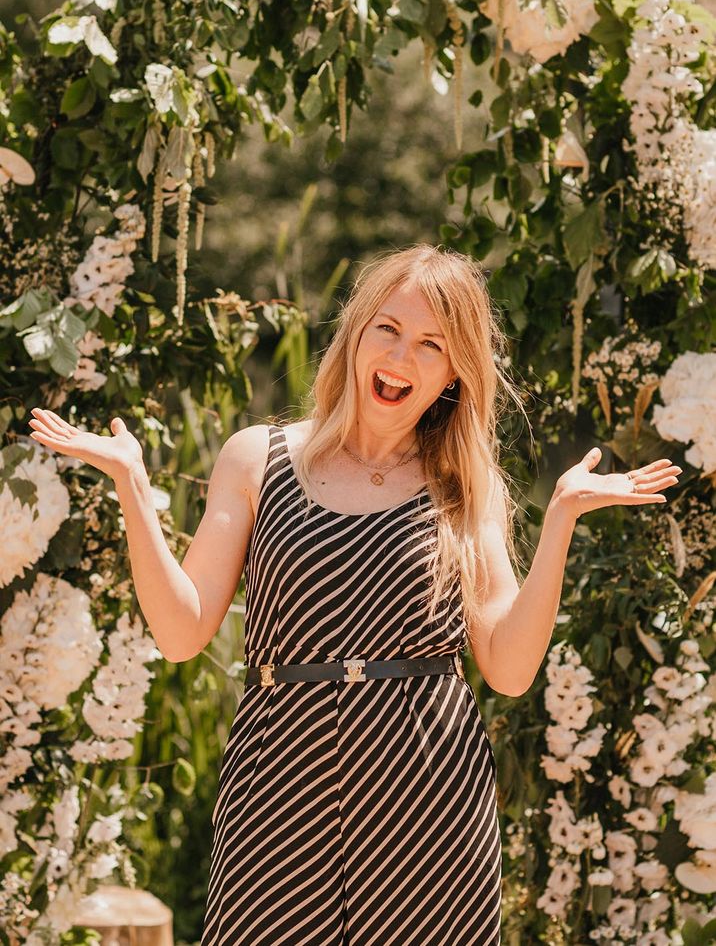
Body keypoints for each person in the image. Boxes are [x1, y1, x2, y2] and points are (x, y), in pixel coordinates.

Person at [28, 243, 681, 946]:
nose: (402, 357)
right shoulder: (257, 458)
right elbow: (181, 633)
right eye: (389, 329)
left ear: (455, 373)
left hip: (428, 785)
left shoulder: (465, 486)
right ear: (356, 333)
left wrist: (560, 521)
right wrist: (132, 485)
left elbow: (510, 668)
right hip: (280, 774)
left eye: (432, 344)